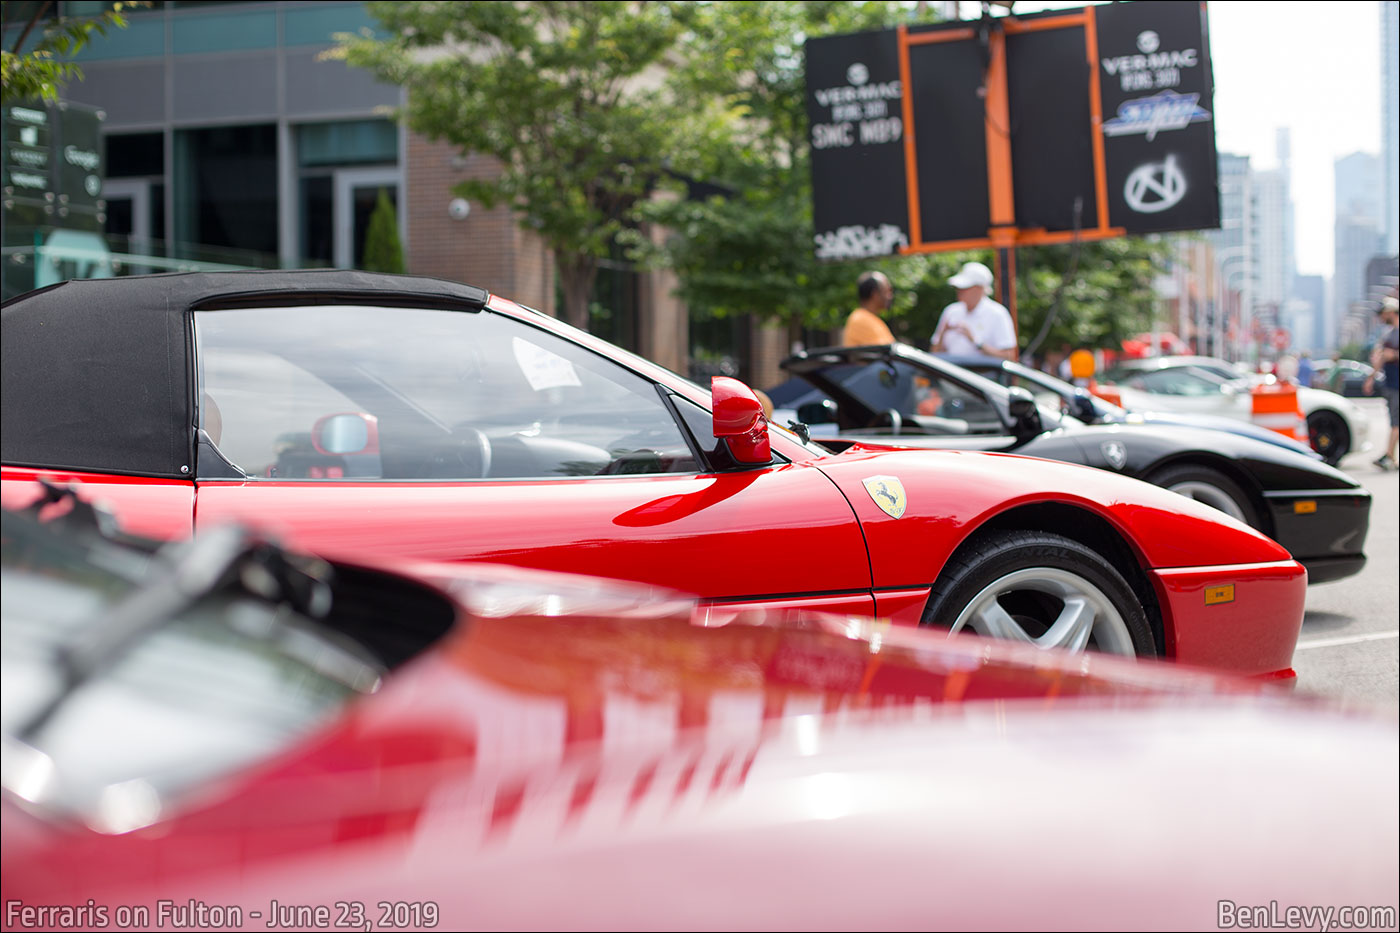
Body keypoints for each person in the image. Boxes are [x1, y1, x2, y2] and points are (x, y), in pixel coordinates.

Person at [930, 261, 1016, 360]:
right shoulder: (950, 311)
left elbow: (1009, 356)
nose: (959, 291)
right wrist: (943, 332)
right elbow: (934, 353)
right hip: (950, 372)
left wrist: (975, 341)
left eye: (964, 287)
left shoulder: (998, 313)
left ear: (979, 288)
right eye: (958, 287)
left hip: (983, 374)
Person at [1364, 295, 1399, 470]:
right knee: (1395, 421)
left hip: (1397, 385)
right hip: (1392, 384)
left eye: (1383, 313)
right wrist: (1371, 377)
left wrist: (1394, 355)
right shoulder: (1389, 334)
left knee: (1396, 422)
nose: (1381, 317)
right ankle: (1391, 457)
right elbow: (1380, 359)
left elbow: (1387, 356)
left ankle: (1389, 456)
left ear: (1391, 312)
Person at [842, 271, 896, 346]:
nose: (890, 296)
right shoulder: (861, 320)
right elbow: (886, 352)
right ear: (875, 294)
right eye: (887, 291)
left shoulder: (870, 319)